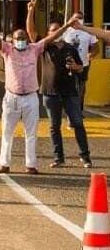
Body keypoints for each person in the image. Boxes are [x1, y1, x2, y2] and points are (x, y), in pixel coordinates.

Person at [0, 0, 73, 174]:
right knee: (7, 132)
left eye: (23, 38)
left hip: (31, 98)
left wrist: (68, 25)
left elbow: (52, 36)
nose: (21, 40)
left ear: (27, 39)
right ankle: (4, 163)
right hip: (11, 97)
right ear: (13, 40)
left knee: (31, 133)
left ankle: (31, 165)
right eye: (18, 38)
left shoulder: (34, 48)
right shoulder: (7, 50)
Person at [40, 20, 92, 169]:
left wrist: (75, 66)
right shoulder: (45, 47)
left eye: (59, 29)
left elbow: (81, 67)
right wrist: (30, 12)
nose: (57, 32)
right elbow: (31, 32)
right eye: (53, 30)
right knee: (54, 126)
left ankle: (85, 156)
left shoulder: (70, 48)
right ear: (48, 33)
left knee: (77, 123)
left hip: (70, 92)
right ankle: (59, 157)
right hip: (50, 92)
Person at [63, 18, 99, 105]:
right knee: (68, 87)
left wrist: (91, 54)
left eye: (80, 17)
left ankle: (78, 108)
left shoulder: (88, 31)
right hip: (69, 65)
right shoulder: (66, 31)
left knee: (81, 89)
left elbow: (96, 48)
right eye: (76, 17)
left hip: (84, 65)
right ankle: (69, 107)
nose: (78, 20)